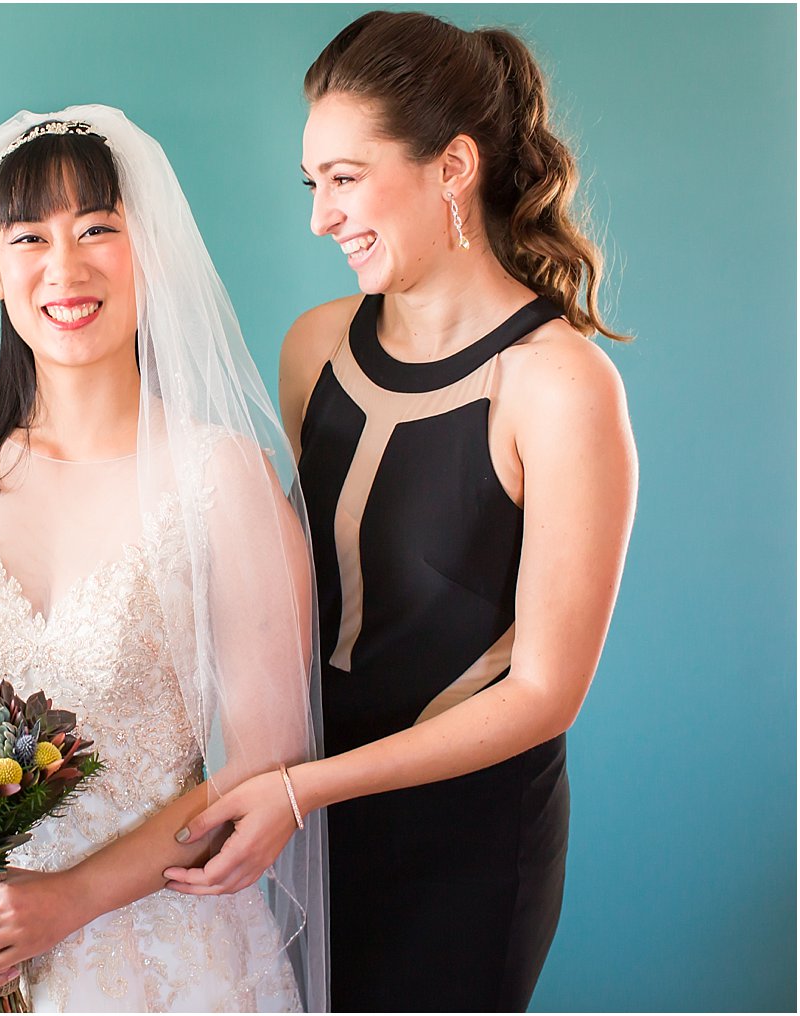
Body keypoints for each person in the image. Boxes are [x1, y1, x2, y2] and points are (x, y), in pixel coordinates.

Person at [163, 12, 638, 1012]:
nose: (319, 216)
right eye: (312, 185)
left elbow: (544, 691)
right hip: (296, 817)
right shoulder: (313, 347)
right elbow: (276, 592)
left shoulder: (556, 384)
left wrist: (306, 789)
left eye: (343, 178)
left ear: (450, 166)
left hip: (458, 843)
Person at [0, 107, 328, 1012]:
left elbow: (265, 763)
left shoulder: (221, 477)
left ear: (152, 252)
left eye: (98, 229)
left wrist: (67, 902)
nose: (65, 268)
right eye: (30, 237)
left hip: (166, 947)